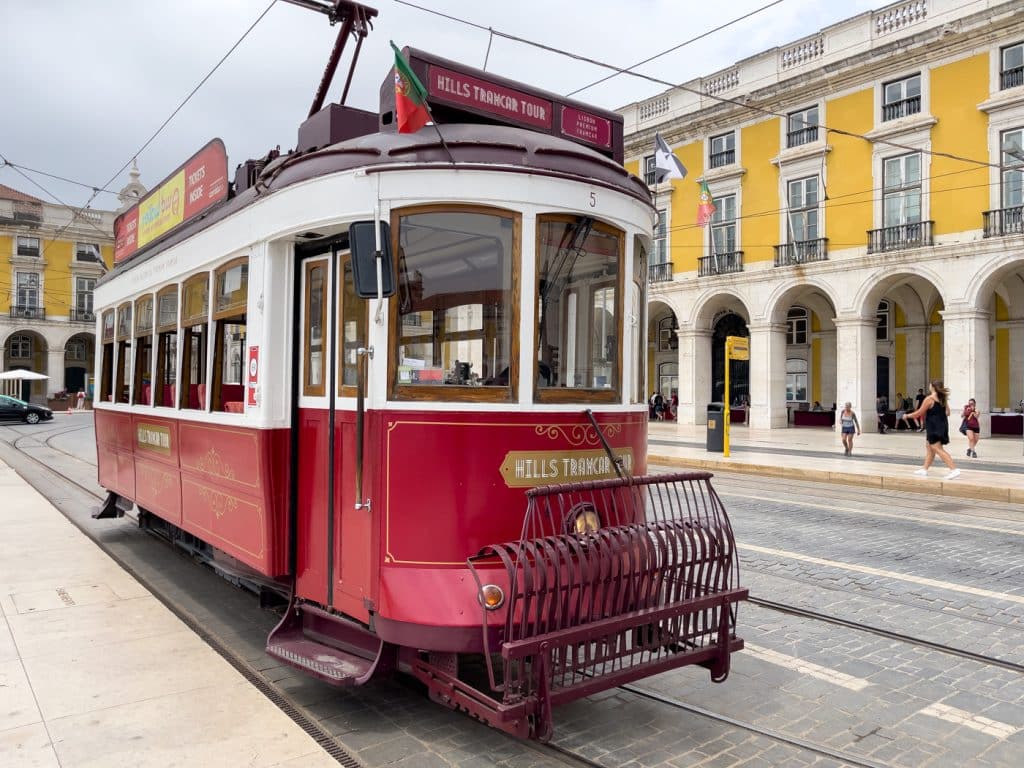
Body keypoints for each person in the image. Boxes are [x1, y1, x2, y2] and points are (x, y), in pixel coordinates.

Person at [908, 380, 959, 479]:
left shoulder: (930, 399)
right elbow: (948, 413)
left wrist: (907, 415)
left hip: (933, 427)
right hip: (942, 426)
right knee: (929, 447)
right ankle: (924, 469)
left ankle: (953, 469)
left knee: (938, 449)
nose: (929, 386)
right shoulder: (942, 398)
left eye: (930, 385)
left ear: (933, 387)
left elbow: (919, 413)